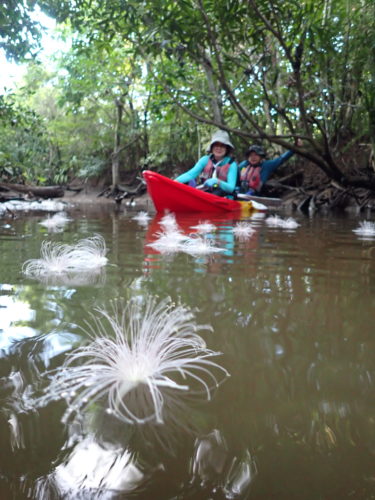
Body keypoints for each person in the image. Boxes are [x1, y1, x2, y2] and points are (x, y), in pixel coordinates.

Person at [175, 130, 238, 198]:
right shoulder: (205, 160)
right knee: (185, 183)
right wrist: (175, 182)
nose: (219, 148)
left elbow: (231, 188)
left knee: (216, 193)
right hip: (205, 192)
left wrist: (217, 181)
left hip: (224, 196)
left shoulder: (231, 164)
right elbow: (190, 174)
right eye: (216, 145)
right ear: (212, 147)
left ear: (227, 149)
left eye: (222, 146)